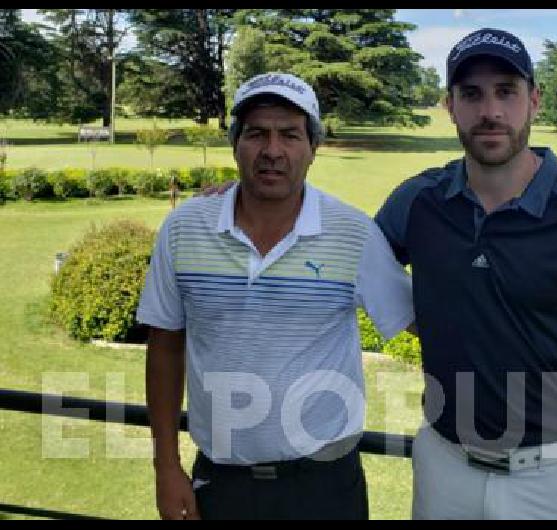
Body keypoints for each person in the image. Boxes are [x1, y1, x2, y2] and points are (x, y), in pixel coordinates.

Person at [374, 28, 557, 520]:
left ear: (534, 101)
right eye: (472, 94)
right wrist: (243, 198)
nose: (490, 111)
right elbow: (349, 253)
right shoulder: (419, 202)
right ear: (450, 105)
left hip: (550, 480)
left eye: (506, 91)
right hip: (443, 467)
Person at [136, 72, 415, 520]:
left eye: (289, 134)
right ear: (235, 144)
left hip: (325, 487)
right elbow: (165, 347)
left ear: (313, 148)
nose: (272, 151)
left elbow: (423, 321)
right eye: (256, 134)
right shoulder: (184, 229)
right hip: (222, 483)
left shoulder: (353, 233)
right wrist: (165, 467)